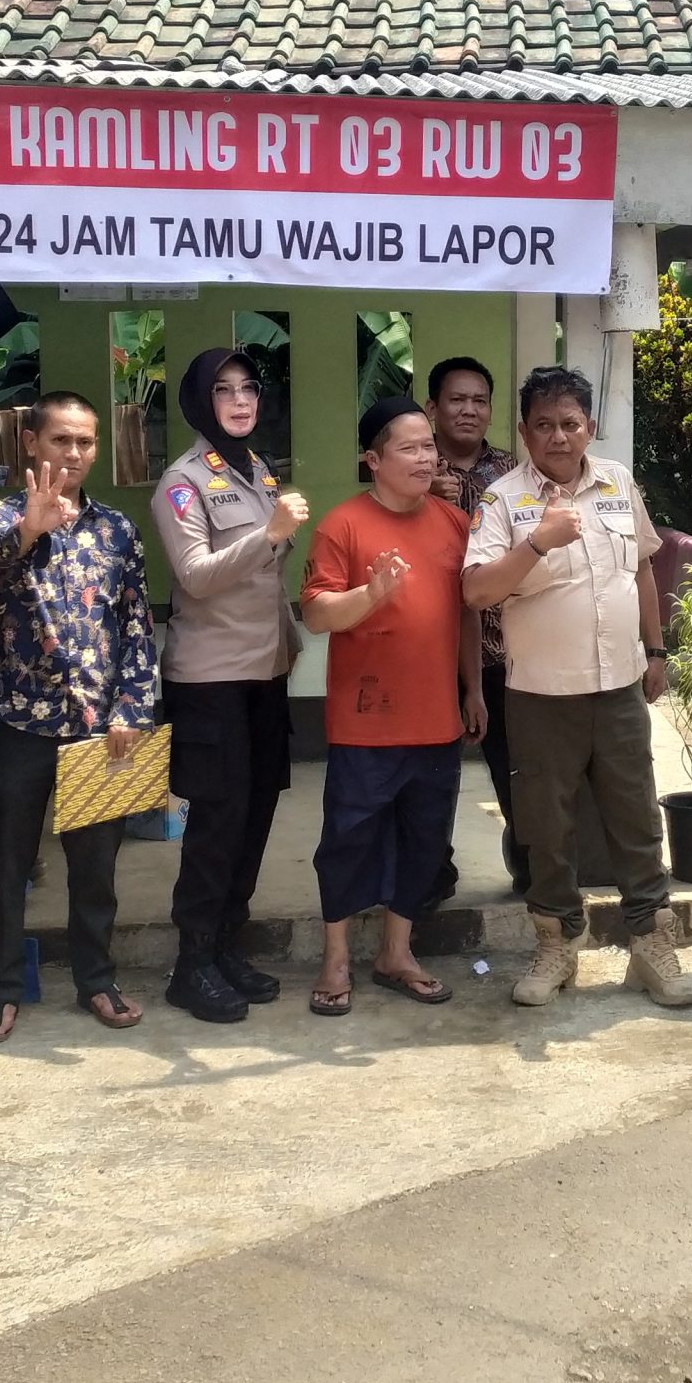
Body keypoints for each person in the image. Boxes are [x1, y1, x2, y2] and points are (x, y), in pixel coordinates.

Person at [464, 366, 692, 1010]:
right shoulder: (503, 501)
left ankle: (651, 944)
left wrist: (655, 650)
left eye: (570, 423)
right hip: (539, 695)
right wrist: (537, 543)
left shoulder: (618, 482)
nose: (558, 437)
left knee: (636, 818)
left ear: (589, 426)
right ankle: (557, 944)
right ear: (524, 432)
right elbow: (476, 591)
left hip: (619, 686)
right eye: (544, 425)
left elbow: (641, 569)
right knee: (546, 827)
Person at [0, 391, 158, 1042]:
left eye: (85, 442)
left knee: (96, 869)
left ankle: (97, 980)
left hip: (98, 729)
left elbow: (136, 624)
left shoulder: (117, 529)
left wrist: (132, 707)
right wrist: (32, 527)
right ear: (31, 444)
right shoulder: (0, 516)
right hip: (16, 722)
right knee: (5, 866)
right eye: (60, 440)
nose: (73, 453)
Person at [300, 398, 489, 1014]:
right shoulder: (342, 525)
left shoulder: (453, 523)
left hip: (436, 719)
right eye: (408, 448)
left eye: (428, 446)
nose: (425, 457)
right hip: (365, 721)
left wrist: (472, 689)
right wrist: (372, 593)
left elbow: (466, 614)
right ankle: (335, 960)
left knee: (424, 840)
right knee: (347, 841)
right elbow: (317, 614)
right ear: (372, 459)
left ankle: (396, 953)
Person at [152, 348, 310, 1023]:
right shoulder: (182, 483)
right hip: (211, 679)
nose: (241, 401)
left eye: (249, 389)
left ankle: (225, 947)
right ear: (199, 401)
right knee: (217, 823)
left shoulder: (257, 470)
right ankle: (191, 964)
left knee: (255, 814)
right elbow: (195, 574)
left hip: (264, 673)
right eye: (224, 390)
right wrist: (270, 533)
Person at [424, 354, 525, 895]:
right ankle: (430, 875)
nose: (469, 410)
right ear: (432, 407)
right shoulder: (411, 467)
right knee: (432, 773)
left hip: (504, 649)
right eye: (457, 400)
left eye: (479, 401)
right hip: (431, 649)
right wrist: (424, 501)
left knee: (517, 769)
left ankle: (530, 869)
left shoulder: (512, 472)